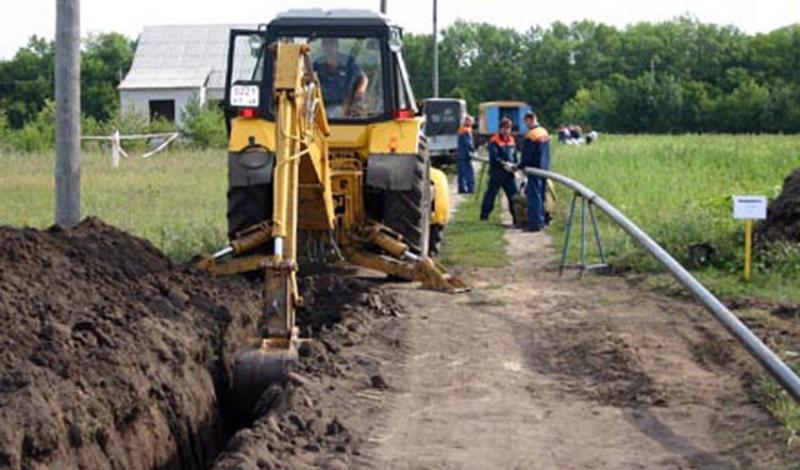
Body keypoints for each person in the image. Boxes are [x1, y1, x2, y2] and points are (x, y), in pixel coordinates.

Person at [312, 38, 369, 118]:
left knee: (333, 114)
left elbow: (363, 78)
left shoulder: (348, 62)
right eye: (326, 44)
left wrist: (360, 92)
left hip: (344, 103)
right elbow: (310, 80)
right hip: (322, 103)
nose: (329, 47)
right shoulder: (317, 64)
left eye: (332, 44)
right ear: (323, 47)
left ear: (337, 46)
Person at [480, 118, 518, 224]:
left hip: (509, 173)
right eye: (504, 128)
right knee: (491, 195)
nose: (506, 131)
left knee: (513, 196)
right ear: (500, 129)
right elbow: (493, 157)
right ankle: (484, 216)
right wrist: (503, 163)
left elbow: (514, 156)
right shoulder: (494, 140)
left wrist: (515, 164)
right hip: (497, 172)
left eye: (508, 128)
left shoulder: (512, 140)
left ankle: (516, 217)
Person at [518, 112, 551, 232]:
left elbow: (527, 155)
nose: (525, 125)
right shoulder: (544, 132)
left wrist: (520, 166)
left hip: (534, 169)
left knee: (534, 197)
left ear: (529, 120)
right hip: (544, 168)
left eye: (525, 122)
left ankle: (535, 224)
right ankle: (541, 221)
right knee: (541, 196)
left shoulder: (531, 135)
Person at [456, 115, 476, 193]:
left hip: (460, 154)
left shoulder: (461, 129)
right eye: (471, 121)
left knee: (461, 173)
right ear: (467, 121)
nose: (472, 123)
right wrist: (472, 150)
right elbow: (468, 143)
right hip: (466, 155)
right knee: (469, 172)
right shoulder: (466, 130)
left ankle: (461, 189)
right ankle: (471, 189)